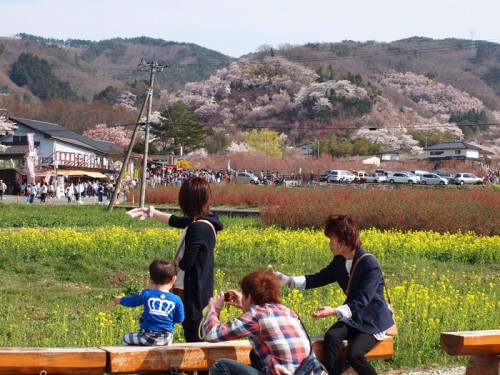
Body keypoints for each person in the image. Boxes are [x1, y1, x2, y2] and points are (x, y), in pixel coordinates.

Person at [275, 215, 394, 375]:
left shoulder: (369, 263)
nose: (329, 243)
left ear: (344, 240)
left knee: (355, 355)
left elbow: (362, 300)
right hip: (355, 318)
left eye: (332, 238)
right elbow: (318, 278)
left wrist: (333, 311)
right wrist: (288, 280)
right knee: (331, 336)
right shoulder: (339, 261)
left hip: (373, 320)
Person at [129, 176, 223, 374]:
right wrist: (152, 213)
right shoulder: (205, 222)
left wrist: (174, 263)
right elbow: (177, 221)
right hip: (202, 289)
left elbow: (188, 263)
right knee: (198, 338)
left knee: (195, 339)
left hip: (192, 291)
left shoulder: (197, 227)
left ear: (186, 200)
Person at [203, 270, 325, 375]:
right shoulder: (288, 312)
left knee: (221, 366)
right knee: (256, 354)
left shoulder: (256, 315)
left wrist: (215, 308)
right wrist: (245, 305)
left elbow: (212, 334)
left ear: (249, 297)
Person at [114, 259, 184, 346]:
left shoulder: (147, 294)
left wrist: (120, 300)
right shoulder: (176, 299)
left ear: (151, 280)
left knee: (126, 338)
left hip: (147, 337)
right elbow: (179, 319)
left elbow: (132, 301)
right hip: (167, 339)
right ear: (173, 279)